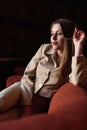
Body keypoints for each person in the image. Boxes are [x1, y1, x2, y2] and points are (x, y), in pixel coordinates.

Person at [0, 18, 87, 122]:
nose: (53, 37)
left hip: (39, 106)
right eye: (52, 33)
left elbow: (77, 80)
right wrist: (26, 106)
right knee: (1, 100)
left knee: (4, 120)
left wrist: (78, 46)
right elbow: (28, 75)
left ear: (69, 36)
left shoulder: (75, 62)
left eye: (59, 34)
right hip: (22, 91)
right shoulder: (44, 49)